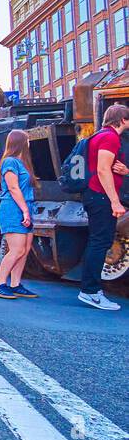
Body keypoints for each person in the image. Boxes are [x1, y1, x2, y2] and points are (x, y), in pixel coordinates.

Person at [78, 103, 129, 311]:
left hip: (95, 196)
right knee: (100, 242)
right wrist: (115, 201)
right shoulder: (110, 137)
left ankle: (92, 290)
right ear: (123, 120)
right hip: (100, 197)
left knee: (100, 241)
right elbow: (102, 170)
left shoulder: (100, 135)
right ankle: (90, 291)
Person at [0, 130, 38, 299]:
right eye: (27, 140)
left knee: (24, 250)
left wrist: (27, 210)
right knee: (17, 249)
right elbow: (13, 188)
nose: (29, 143)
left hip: (25, 207)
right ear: (21, 142)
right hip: (13, 208)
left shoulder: (22, 163)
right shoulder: (9, 162)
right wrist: (25, 210)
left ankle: (15, 284)